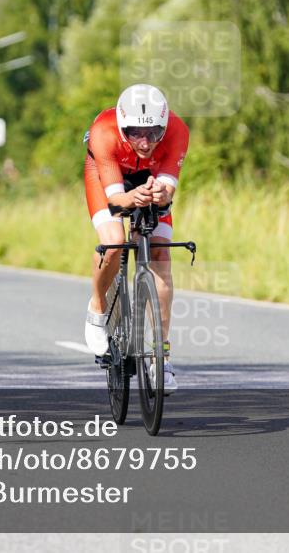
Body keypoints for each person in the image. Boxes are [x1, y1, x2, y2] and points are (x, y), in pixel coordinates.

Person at [83, 83, 189, 393]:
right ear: (121, 125)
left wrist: (159, 195)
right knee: (114, 241)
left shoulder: (178, 131)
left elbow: (167, 193)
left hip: (150, 178)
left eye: (154, 133)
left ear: (165, 126)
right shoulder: (104, 131)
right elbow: (116, 202)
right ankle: (98, 306)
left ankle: (161, 358)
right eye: (134, 133)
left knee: (161, 254)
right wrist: (133, 198)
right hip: (107, 174)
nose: (144, 143)